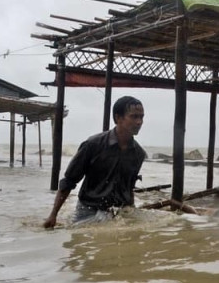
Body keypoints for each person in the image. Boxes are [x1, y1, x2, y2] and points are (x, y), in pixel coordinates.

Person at [43, 96, 146, 229]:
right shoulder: (93, 145)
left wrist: (132, 213)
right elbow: (69, 181)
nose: (139, 122)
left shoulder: (138, 154)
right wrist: (53, 215)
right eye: (134, 117)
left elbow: (129, 187)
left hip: (120, 214)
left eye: (141, 117)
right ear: (118, 118)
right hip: (88, 211)